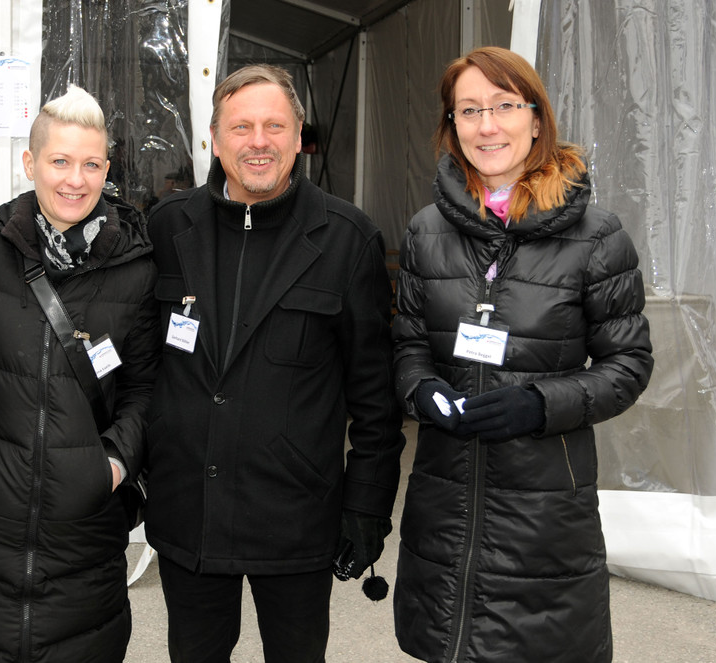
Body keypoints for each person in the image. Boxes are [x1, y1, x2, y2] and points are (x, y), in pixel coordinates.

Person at [391, 46, 654, 663]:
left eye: (504, 106)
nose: (487, 125)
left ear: (537, 119)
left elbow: (628, 365)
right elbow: (407, 344)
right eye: (469, 110)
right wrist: (420, 389)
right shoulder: (426, 231)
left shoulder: (597, 236)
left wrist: (540, 404)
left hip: (544, 514)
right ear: (452, 125)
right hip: (445, 501)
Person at [144, 64, 405, 663]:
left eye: (274, 126)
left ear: (298, 137)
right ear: (214, 139)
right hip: (190, 510)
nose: (258, 141)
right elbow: (141, 365)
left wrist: (367, 505)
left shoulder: (347, 238)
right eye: (241, 126)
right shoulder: (168, 227)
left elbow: (376, 399)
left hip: (296, 517)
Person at [0, 85, 159, 662]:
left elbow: (143, 388)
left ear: (106, 170)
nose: (74, 180)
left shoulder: (136, 271)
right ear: (30, 163)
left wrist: (112, 464)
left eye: (91, 164)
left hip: (85, 532)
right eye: (59, 161)